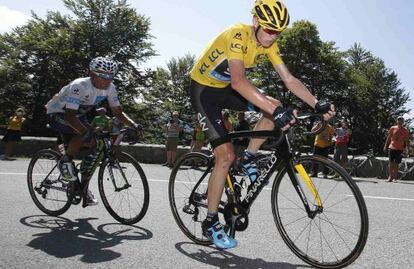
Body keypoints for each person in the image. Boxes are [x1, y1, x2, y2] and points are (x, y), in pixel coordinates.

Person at [188, 0, 335, 249]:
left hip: (223, 90)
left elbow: (289, 79)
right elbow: (238, 81)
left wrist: (316, 103)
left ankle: (249, 157)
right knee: (224, 156)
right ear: (255, 21)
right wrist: (276, 111)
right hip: (204, 92)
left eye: (278, 31)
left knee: (273, 103)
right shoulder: (237, 34)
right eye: (268, 29)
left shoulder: (270, 43)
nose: (272, 36)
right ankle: (211, 222)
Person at [45, 57, 142, 206]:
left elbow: (117, 112)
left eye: (111, 76)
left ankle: (82, 188)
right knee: (83, 133)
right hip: (58, 113)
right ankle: (65, 162)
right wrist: (86, 132)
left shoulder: (110, 88)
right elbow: (70, 116)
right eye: (103, 75)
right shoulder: (79, 85)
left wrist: (134, 125)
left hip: (77, 115)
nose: (107, 80)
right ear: (92, 74)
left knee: (95, 148)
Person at [384, 116, 410, 182]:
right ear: (397, 121)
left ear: (403, 122)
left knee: (396, 163)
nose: (400, 121)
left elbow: (407, 140)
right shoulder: (393, 128)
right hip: (392, 147)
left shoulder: (405, 130)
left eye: (401, 120)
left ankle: (395, 177)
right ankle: (390, 177)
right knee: (391, 163)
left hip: (400, 148)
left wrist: (408, 149)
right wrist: (385, 146)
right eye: (399, 120)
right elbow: (389, 137)